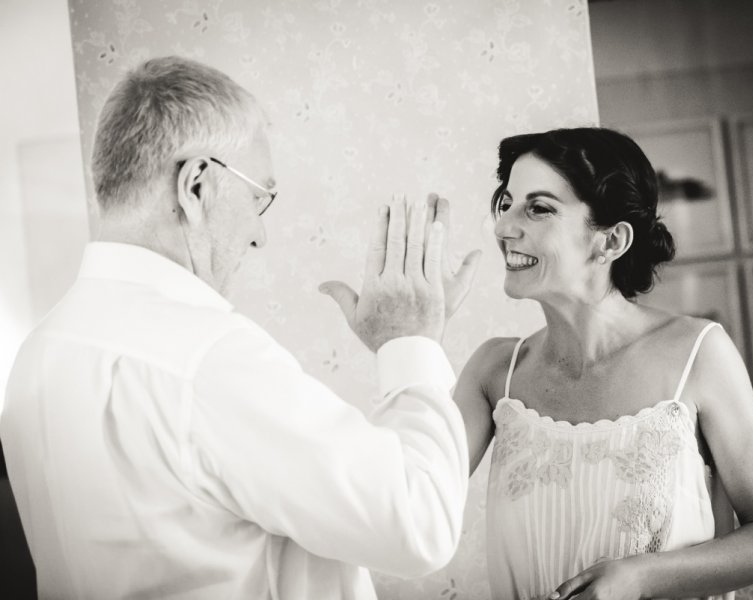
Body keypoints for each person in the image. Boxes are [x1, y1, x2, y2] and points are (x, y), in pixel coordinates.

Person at [0, 56, 481, 599]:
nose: (259, 237)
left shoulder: (37, 355)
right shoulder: (206, 359)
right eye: (259, 198)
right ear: (197, 185)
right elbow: (419, 525)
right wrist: (409, 340)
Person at [453, 127, 753, 600]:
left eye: (538, 208)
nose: (503, 227)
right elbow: (407, 504)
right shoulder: (495, 373)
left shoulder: (698, 353)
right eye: (507, 203)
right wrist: (409, 338)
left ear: (611, 240)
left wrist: (641, 576)